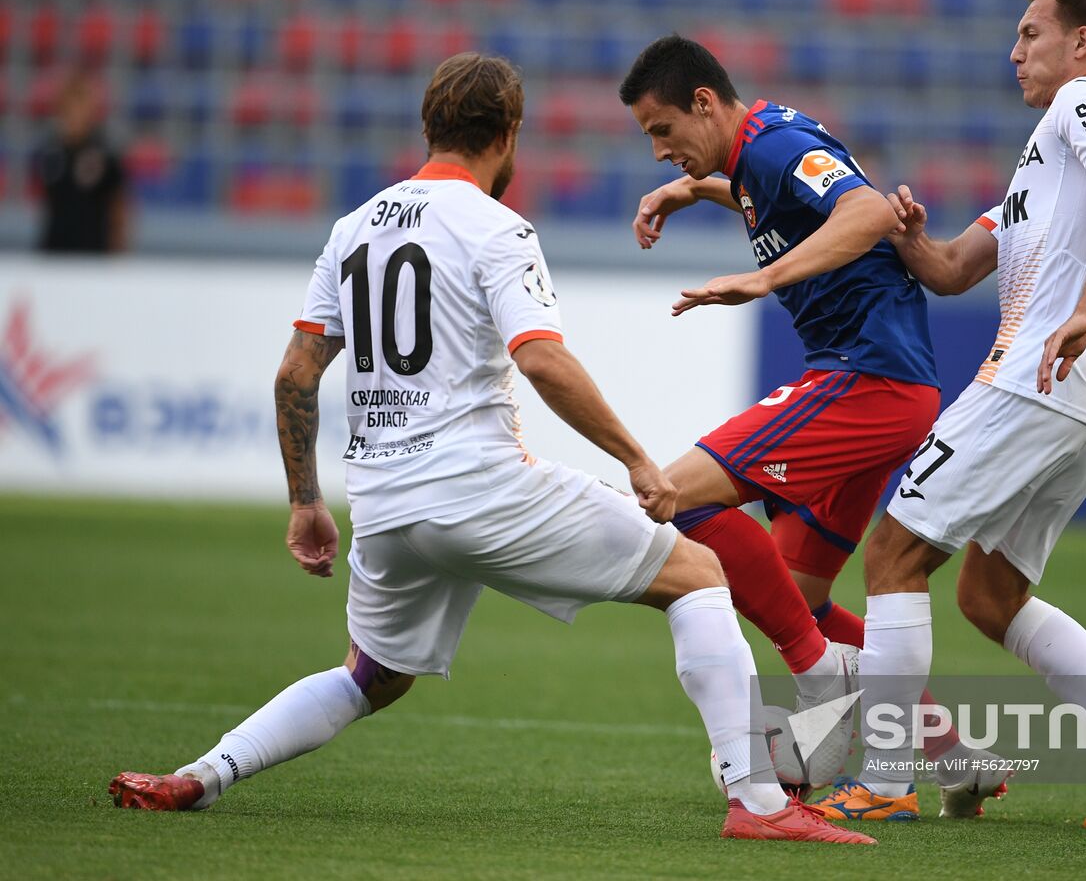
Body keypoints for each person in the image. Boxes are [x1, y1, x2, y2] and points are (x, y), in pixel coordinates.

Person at [107, 52, 873, 846]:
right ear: (508, 134)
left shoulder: (353, 228)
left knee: (370, 677)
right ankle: (757, 799)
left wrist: (305, 501)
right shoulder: (496, 226)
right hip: (478, 489)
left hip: (383, 503)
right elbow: (540, 357)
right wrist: (639, 461)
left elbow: (296, 374)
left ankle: (202, 774)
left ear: (429, 127)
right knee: (699, 575)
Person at [814, 0, 1086, 829]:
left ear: (1082, 43)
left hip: (1037, 376)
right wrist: (908, 234)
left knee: (894, 553)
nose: (1014, 51)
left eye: (1030, 33)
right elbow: (949, 272)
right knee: (987, 594)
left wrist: (1083, 311)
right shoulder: (1037, 180)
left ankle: (888, 774)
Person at [619, 36, 1002, 815]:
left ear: (703, 102)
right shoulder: (758, 153)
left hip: (864, 377)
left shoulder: (774, 142)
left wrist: (763, 278)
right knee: (797, 590)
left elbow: (862, 209)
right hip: (886, 387)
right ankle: (949, 751)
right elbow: (791, 199)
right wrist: (696, 193)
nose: (659, 152)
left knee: (676, 498)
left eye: (662, 131)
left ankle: (820, 676)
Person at [31, 71, 128, 255]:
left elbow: (119, 206)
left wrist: (119, 251)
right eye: (69, 108)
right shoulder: (50, 152)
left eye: (80, 107)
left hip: (93, 254)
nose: (75, 115)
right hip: (54, 250)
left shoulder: (104, 153)